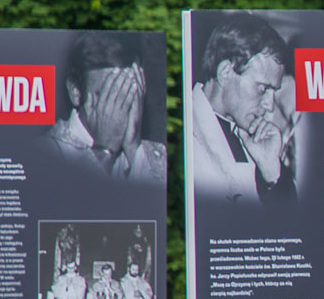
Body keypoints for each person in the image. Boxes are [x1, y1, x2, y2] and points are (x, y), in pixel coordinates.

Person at [189, 12, 296, 203]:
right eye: (263, 89)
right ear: (226, 73)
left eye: (274, 92)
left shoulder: (254, 137)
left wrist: (272, 174)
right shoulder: (186, 133)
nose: (269, 106)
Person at [47, 32, 167, 183]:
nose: (119, 110)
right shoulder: (45, 152)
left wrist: (133, 149)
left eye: (128, 94)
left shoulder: (158, 157)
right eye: (107, 97)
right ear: (75, 92)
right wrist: (104, 150)